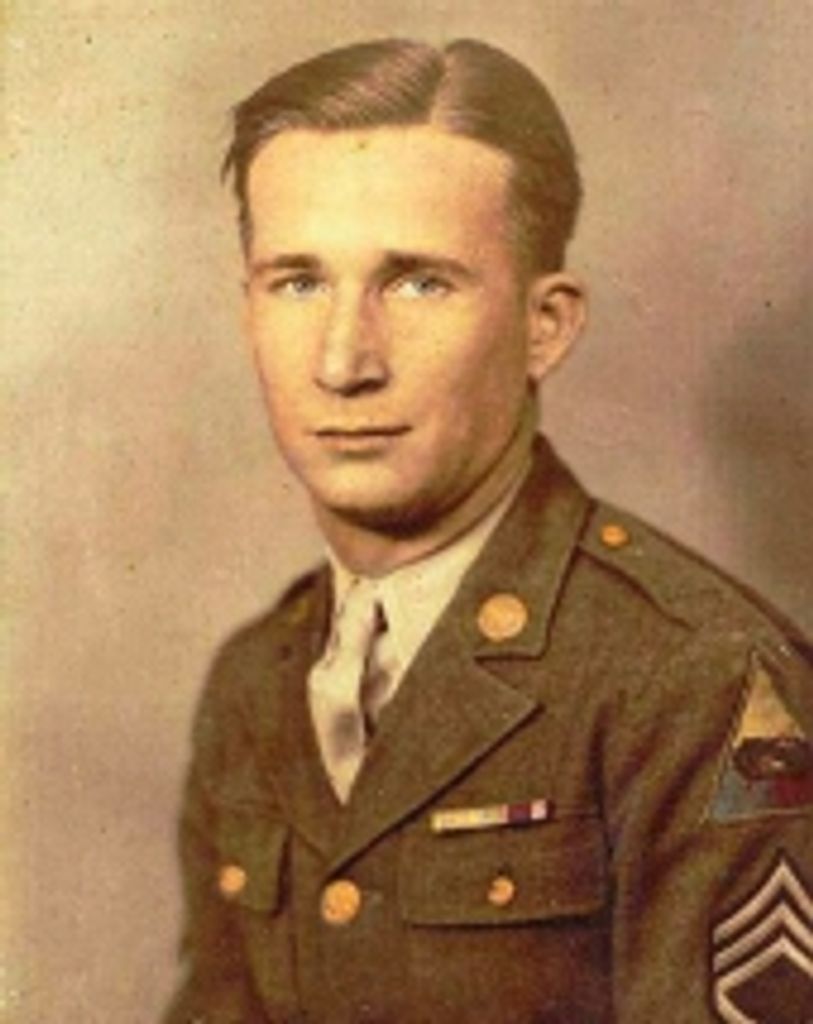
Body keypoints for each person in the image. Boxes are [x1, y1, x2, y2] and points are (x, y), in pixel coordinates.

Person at [164, 38, 813, 1023]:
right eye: (298, 281)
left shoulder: (696, 683)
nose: (342, 361)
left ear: (544, 325)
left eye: (418, 282)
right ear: (247, 307)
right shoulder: (255, 681)